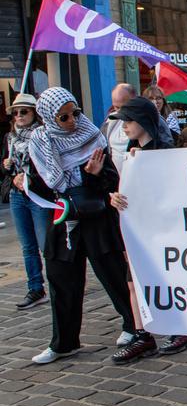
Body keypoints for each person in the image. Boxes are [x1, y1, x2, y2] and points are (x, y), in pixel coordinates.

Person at [26, 88, 138, 364]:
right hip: (65, 219)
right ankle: (63, 343)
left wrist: (96, 174)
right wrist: (24, 182)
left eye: (74, 112)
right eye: (63, 117)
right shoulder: (39, 142)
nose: (72, 120)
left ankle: (134, 326)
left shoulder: (92, 135)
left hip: (97, 216)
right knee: (62, 280)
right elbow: (41, 184)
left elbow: (112, 181)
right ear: (49, 118)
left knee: (113, 275)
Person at [107, 97, 187, 361]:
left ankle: (183, 327)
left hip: (162, 228)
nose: (124, 126)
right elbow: (126, 190)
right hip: (138, 227)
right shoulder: (132, 152)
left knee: (172, 279)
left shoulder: (163, 152)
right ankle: (142, 335)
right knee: (133, 282)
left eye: (129, 121)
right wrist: (116, 197)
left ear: (144, 121)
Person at [2, 93, 50, 309]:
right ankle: (36, 288)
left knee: (45, 244)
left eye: (24, 111)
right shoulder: (10, 138)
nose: (19, 115)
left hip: (38, 195)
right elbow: (6, 170)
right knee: (27, 246)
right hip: (17, 195)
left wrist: (29, 179)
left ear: (34, 114)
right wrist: (8, 170)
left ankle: (60, 283)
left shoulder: (42, 136)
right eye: (16, 112)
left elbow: (49, 167)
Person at [101, 83, 136, 172]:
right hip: (117, 181)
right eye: (116, 107)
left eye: (125, 107)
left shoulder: (149, 120)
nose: (121, 112)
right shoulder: (110, 122)